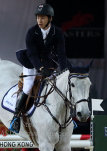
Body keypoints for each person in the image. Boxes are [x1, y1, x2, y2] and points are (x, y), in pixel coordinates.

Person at [9, 3, 68, 133]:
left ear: (50, 19)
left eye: (42, 18)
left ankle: (67, 117)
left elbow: (61, 54)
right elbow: (32, 54)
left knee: (58, 85)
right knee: (28, 85)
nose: (39, 21)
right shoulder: (31, 32)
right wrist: (40, 68)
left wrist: (64, 71)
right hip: (31, 61)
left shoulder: (57, 33)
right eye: (37, 17)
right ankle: (16, 117)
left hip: (48, 61)